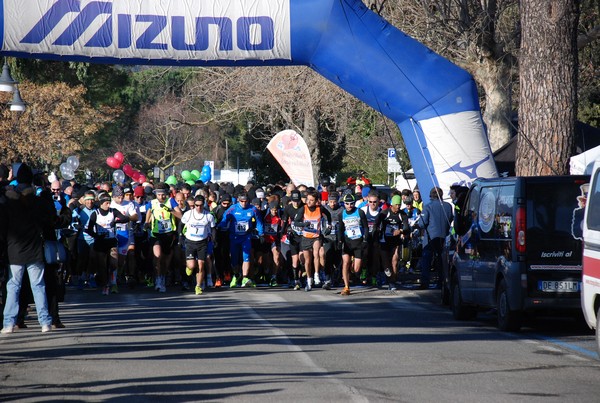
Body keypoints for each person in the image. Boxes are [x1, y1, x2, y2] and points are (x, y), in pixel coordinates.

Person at [1, 163, 54, 334]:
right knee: (38, 286)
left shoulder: (8, 203)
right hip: (34, 249)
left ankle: (8, 322)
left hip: (14, 250)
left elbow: (3, 227)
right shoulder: (37, 202)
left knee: (13, 286)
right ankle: (44, 321)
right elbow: (48, 221)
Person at [85, 192, 130, 295]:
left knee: (114, 263)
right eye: (106, 203)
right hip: (100, 243)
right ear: (101, 203)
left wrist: (116, 221)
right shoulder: (95, 214)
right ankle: (105, 285)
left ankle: (113, 283)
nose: (109, 205)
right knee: (102, 265)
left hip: (112, 242)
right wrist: (97, 236)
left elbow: (125, 218)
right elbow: (88, 229)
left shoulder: (113, 211)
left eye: (109, 202)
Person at [145, 183, 183, 292]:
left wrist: (170, 210)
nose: (161, 197)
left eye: (163, 195)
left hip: (169, 234)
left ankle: (162, 278)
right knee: (157, 256)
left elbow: (180, 215)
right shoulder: (152, 203)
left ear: (166, 194)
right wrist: (147, 222)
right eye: (159, 194)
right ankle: (157, 279)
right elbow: (148, 212)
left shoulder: (171, 201)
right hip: (156, 234)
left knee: (165, 261)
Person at [414, 186, 453, 289]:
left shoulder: (428, 207)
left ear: (431, 196)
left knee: (426, 259)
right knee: (442, 260)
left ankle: (425, 282)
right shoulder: (448, 206)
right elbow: (450, 219)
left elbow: (422, 223)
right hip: (444, 237)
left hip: (430, 237)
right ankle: (442, 282)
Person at [223, 192, 264, 288]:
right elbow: (225, 219)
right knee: (234, 259)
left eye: (246, 201)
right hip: (234, 237)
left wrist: (261, 233)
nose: (244, 203)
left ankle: (245, 277)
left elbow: (259, 222)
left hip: (246, 237)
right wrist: (221, 227)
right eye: (242, 201)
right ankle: (236, 275)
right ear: (238, 200)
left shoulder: (253, 209)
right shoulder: (233, 208)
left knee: (247, 256)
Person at [293, 190, 331, 291]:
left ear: (316, 201)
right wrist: (304, 224)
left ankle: (317, 274)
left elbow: (329, 215)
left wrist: (329, 225)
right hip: (306, 237)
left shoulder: (320, 209)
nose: (309, 202)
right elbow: (295, 222)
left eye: (311, 200)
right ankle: (309, 279)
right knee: (308, 260)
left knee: (316, 253)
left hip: (316, 236)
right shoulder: (303, 209)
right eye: (307, 200)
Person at [181, 195, 216, 295]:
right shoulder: (188, 214)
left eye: (201, 205)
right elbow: (181, 225)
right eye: (196, 205)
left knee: (201, 265)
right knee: (192, 265)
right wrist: (180, 237)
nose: (198, 208)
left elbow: (213, 228)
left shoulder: (208, 216)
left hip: (202, 242)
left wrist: (214, 239)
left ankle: (198, 286)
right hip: (190, 242)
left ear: (204, 204)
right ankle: (189, 268)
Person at [375, 195, 410, 290]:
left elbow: (407, 227)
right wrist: (378, 232)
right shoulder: (385, 213)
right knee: (386, 265)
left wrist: (401, 231)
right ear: (392, 205)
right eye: (396, 204)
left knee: (394, 261)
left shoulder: (402, 214)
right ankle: (387, 277)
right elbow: (376, 224)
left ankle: (392, 282)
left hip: (396, 241)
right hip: (384, 240)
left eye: (399, 204)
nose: (398, 207)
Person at [337, 193, 369, 296]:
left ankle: (354, 268)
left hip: (358, 242)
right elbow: (340, 229)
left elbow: (366, 227)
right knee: (345, 262)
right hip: (347, 241)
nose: (349, 206)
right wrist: (340, 241)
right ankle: (346, 287)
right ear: (344, 204)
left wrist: (365, 240)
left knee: (356, 269)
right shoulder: (341, 214)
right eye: (347, 204)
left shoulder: (360, 212)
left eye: (351, 204)